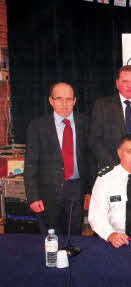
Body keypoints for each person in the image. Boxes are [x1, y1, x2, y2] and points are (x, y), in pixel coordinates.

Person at [24, 82, 91, 235]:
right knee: (50, 239)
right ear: (51, 101)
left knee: (73, 237)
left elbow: (91, 160)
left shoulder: (85, 123)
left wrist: (89, 191)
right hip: (47, 192)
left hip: (76, 190)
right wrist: (33, 197)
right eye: (59, 99)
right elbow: (30, 164)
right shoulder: (37, 126)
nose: (64, 104)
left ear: (74, 101)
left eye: (68, 99)